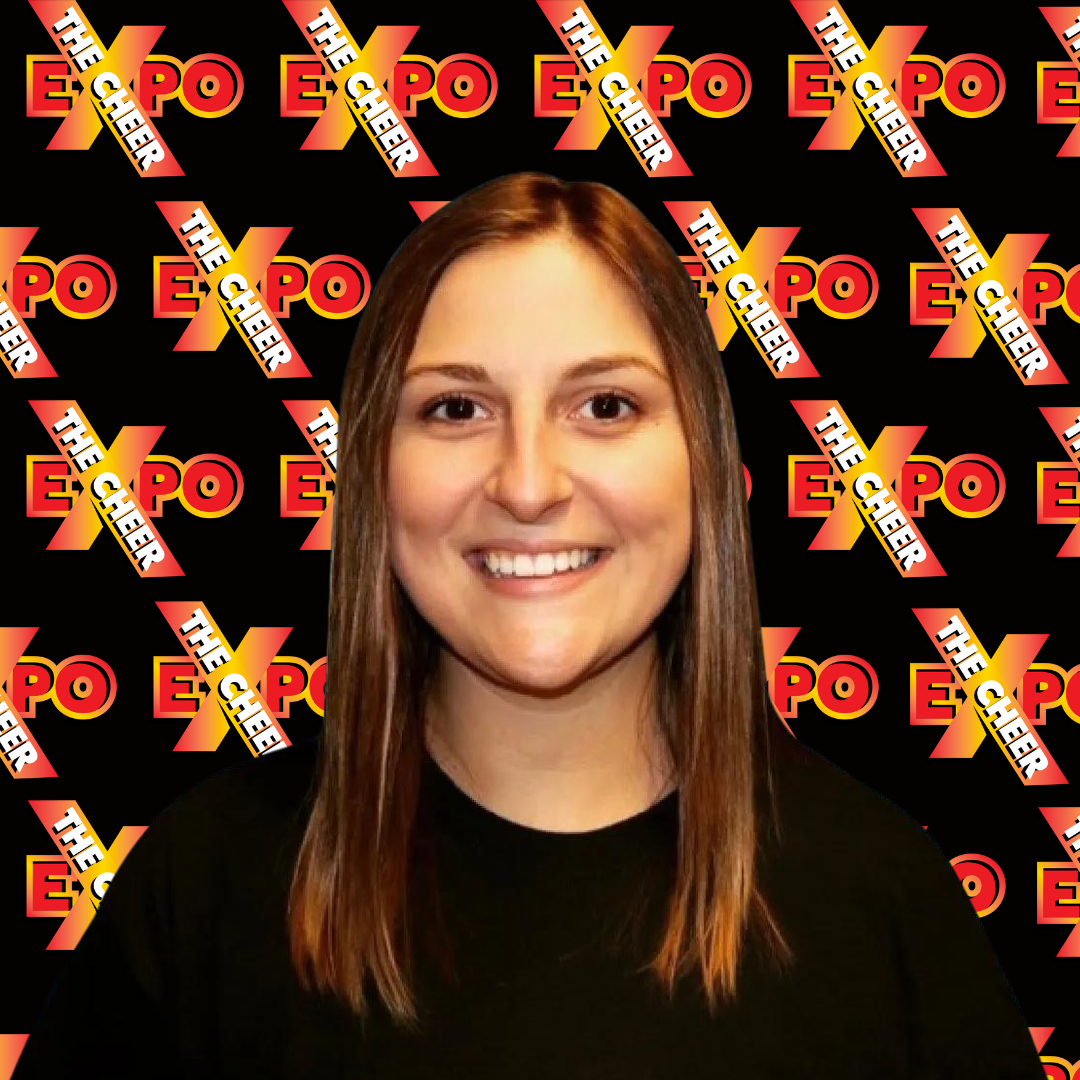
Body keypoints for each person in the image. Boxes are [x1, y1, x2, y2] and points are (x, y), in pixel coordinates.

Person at [13, 173, 1045, 1079]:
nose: (529, 485)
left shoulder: (881, 909)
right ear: (374, 474)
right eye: (457, 410)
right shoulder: (205, 895)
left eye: (603, 406)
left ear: (704, 463)